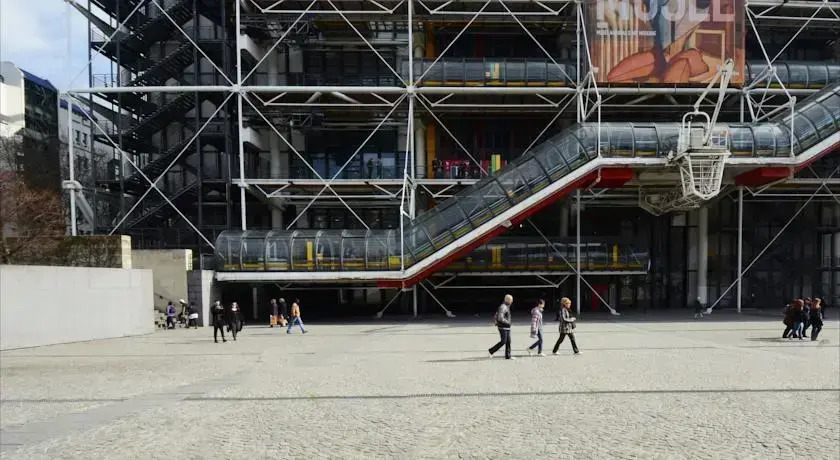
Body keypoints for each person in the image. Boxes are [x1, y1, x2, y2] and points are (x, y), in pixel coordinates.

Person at [489, 294, 514, 360]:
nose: (512, 301)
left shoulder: (507, 306)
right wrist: (508, 322)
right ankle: (491, 351)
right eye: (511, 300)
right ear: (507, 300)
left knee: (508, 341)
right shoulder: (503, 306)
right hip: (502, 327)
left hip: (507, 327)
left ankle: (508, 356)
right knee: (503, 341)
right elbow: (500, 318)